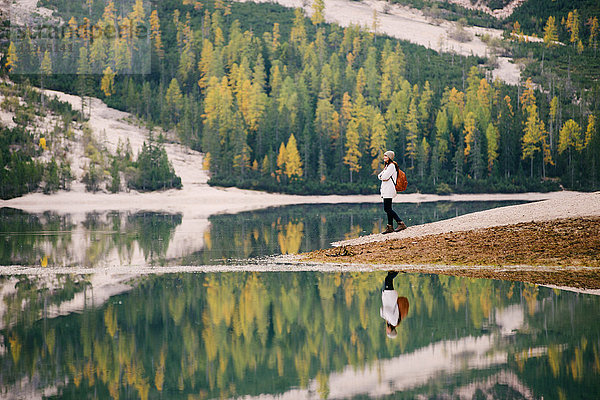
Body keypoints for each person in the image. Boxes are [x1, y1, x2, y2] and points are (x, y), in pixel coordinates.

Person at [377, 150, 407, 234]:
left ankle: (400, 222)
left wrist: (382, 175)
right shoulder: (387, 166)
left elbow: (384, 176)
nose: (384, 157)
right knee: (388, 208)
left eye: (386, 156)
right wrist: (382, 175)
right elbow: (380, 175)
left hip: (389, 190)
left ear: (389, 157)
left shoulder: (391, 166)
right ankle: (390, 226)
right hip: (386, 190)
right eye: (384, 156)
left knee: (387, 208)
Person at [380, 271, 409, 339]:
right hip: (390, 297)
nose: (387, 331)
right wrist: (383, 314)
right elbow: (386, 311)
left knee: (388, 279)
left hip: (388, 297)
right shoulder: (393, 322)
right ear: (391, 331)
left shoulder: (391, 322)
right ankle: (397, 271)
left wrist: (384, 314)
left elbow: (385, 312)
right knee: (388, 279)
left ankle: (393, 271)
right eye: (388, 332)